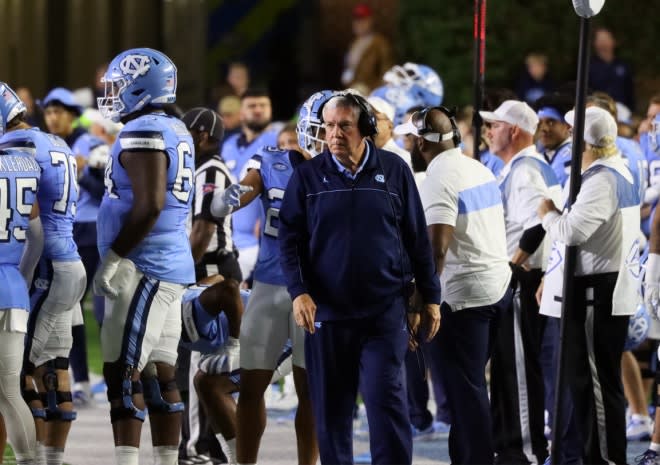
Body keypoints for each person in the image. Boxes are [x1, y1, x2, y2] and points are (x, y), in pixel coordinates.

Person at [278, 91, 441, 465]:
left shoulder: (394, 170)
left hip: (384, 313)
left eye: (344, 126)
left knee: (386, 402)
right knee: (333, 414)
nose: (334, 134)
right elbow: (289, 242)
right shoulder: (307, 177)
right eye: (329, 126)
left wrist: (430, 297)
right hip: (328, 316)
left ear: (365, 129)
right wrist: (299, 292)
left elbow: (417, 238)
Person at [210, 90, 334, 465]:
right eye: (323, 128)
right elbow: (239, 193)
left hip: (317, 292)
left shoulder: (351, 172)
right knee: (252, 386)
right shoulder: (273, 161)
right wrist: (226, 197)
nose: (329, 137)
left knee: (310, 390)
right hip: (269, 285)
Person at [94, 47, 195, 465]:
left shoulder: (145, 131)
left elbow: (150, 205)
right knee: (159, 373)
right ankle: (167, 459)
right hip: (166, 262)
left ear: (141, 85)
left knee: (122, 371)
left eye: (119, 85)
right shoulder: (174, 127)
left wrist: (115, 256)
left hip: (145, 266)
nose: (113, 94)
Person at [395, 106, 513, 463]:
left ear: (419, 142)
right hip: (497, 286)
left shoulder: (438, 177)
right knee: (473, 387)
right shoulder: (476, 166)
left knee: (466, 391)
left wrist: (420, 302)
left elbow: (437, 247)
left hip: (464, 298)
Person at [539, 106, 641, 465]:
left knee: (595, 386)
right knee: (593, 383)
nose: (567, 137)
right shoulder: (622, 169)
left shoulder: (601, 178)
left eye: (572, 133)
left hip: (597, 290)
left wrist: (548, 212)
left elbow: (572, 232)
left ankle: (605, 459)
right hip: (607, 285)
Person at [1, 81, 87, 465]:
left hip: (44, 269)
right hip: (70, 261)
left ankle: (33, 460)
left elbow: (32, 226)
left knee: (18, 374)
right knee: (55, 368)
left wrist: (20, 276)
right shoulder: (56, 141)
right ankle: (53, 459)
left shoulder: (15, 149)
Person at [479, 99, 562, 464]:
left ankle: (525, 449)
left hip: (521, 278)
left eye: (494, 125)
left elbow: (537, 222)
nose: (488, 132)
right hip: (515, 276)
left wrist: (513, 265)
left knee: (518, 368)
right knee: (507, 366)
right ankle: (509, 444)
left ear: (514, 130)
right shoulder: (515, 166)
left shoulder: (526, 169)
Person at [0, 96, 42, 464]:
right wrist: (19, 278)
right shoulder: (23, 165)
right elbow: (37, 236)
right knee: (9, 394)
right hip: (12, 289)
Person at [221, 88, 278, 282]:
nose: (258, 110)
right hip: (229, 238)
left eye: (263, 105)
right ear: (241, 112)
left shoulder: (278, 141)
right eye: (252, 106)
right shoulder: (228, 145)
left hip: (260, 241)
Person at [182, 107, 241, 282]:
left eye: (185, 133)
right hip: (202, 262)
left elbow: (203, 230)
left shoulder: (212, 171)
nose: (179, 139)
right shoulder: (198, 168)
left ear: (202, 137)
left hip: (210, 266)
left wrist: (181, 272)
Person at [340, 3, 393, 95]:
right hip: (353, 90)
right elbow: (350, 67)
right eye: (356, 20)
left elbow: (386, 72)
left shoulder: (380, 43)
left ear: (370, 21)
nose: (359, 24)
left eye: (363, 20)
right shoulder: (354, 43)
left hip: (370, 93)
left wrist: (378, 93)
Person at [588, 27, 635, 110]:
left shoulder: (623, 66)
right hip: (598, 109)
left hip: (622, 111)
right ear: (594, 43)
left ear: (613, 41)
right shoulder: (589, 67)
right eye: (600, 39)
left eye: (606, 38)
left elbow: (629, 91)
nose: (603, 42)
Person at [534, 92, 574, 187]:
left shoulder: (569, 158)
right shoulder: (542, 150)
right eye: (539, 123)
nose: (544, 128)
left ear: (567, 125)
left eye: (550, 122)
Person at [366, 95, 412, 169]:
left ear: (390, 124)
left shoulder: (403, 159)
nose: (368, 123)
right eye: (365, 118)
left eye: (374, 118)